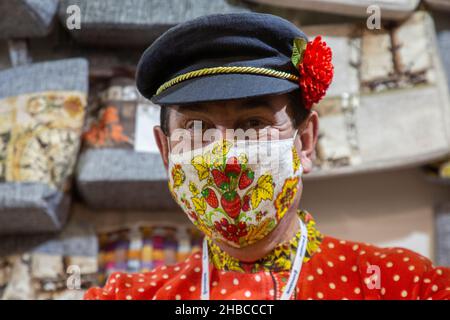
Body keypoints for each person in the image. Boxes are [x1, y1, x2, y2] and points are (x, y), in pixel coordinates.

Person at [84, 12, 450, 300]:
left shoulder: (406, 286)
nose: (226, 157)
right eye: (197, 127)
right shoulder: (124, 296)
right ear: (166, 153)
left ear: (305, 141)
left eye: (253, 122)